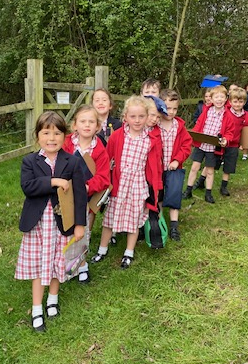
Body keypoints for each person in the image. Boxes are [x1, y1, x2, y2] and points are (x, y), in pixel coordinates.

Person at [16, 111, 87, 332]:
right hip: (38, 225)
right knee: (38, 265)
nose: (52, 138)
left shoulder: (73, 161)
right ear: (37, 136)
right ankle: (37, 308)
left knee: (58, 263)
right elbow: (28, 187)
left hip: (61, 224)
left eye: (57, 133)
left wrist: (79, 224)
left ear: (65, 136)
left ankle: (52, 299)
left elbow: (79, 195)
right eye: (46, 133)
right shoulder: (30, 161)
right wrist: (53, 181)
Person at [90, 95, 163, 269]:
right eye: (133, 116)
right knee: (110, 219)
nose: (137, 121)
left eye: (141, 117)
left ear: (147, 117)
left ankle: (128, 252)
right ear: (125, 117)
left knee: (133, 220)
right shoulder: (117, 136)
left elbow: (155, 166)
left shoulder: (151, 140)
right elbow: (108, 158)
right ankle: (102, 249)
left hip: (138, 185)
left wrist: (156, 187)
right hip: (119, 184)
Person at [62, 105, 110, 283]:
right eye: (83, 121)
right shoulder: (65, 143)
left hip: (85, 197)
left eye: (91, 122)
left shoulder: (99, 150)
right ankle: (63, 262)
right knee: (64, 228)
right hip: (64, 195)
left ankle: (82, 265)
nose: (87, 125)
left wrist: (88, 187)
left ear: (98, 127)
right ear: (75, 125)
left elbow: (104, 177)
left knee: (83, 232)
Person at [183, 85, 228, 203]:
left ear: (225, 99)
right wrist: (193, 136)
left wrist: (226, 139)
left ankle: (208, 193)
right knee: (194, 167)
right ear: (211, 99)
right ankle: (188, 190)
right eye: (216, 97)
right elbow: (199, 124)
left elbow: (229, 131)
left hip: (213, 147)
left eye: (221, 97)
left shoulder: (227, 115)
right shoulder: (206, 111)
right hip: (201, 145)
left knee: (210, 170)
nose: (219, 99)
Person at [158, 89, 193, 241]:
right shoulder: (154, 124)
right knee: (157, 196)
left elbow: (186, 146)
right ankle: (158, 223)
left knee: (174, 195)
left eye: (174, 108)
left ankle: (174, 226)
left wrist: (177, 160)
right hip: (157, 169)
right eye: (167, 108)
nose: (171, 112)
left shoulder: (179, 126)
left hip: (174, 168)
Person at [217, 87, 248, 195]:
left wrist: (243, 144)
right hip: (221, 141)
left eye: (240, 102)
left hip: (234, 144)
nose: (237, 104)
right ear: (230, 101)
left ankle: (224, 187)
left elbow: (246, 131)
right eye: (235, 102)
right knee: (212, 163)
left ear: (244, 102)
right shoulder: (225, 112)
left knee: (228, 166)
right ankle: (201, 181)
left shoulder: (246, 117)